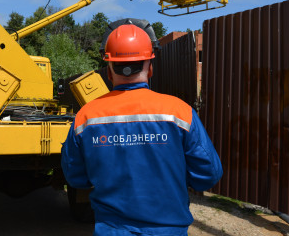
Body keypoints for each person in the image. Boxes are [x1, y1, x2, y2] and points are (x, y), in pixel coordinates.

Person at [61, 22, 222, 236]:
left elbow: (76, 177)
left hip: (112, 230)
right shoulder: (179, 112)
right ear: (151, 67)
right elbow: (208, 174)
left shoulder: (86, 117)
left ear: (109, 71)